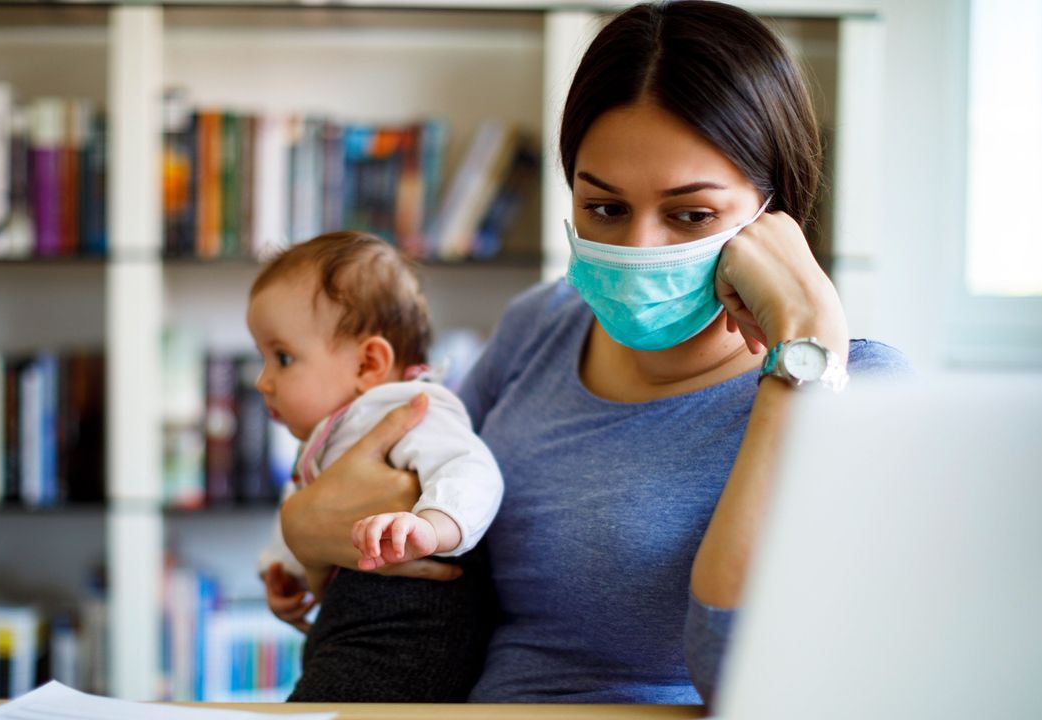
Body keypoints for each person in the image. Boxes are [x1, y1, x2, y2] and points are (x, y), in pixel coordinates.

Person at [269, 0, 916, 706]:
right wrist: (301, 528)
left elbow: (746, 680)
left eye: (690, 215)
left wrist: (804, 345)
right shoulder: (541, 326)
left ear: (776, 212)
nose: (638, 247)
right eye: (604, 208)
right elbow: (377, 500)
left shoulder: (859, 390)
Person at [248, 230, 504, 701]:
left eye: (282, 358)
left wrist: (434, 527)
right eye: (261, 358)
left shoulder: (409, 408)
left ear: (369, 364)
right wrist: (282, 567)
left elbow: (472, 468)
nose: (263, 381)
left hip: (412, 632)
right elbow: (307, 506)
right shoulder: (333, 432)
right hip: (352, 629)